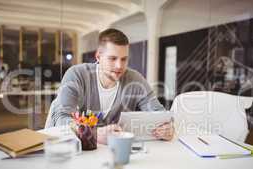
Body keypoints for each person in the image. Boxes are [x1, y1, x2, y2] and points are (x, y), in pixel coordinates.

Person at [45, 28, 174, 143]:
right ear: (98, 57)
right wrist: (93, 134)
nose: (119, 66)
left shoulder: (135, 79)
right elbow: (61, 119)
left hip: (113, 153)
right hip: (76, 150)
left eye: (124, 59)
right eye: (112, 58)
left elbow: (158, 114)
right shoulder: (77, 75)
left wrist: (167, 127)